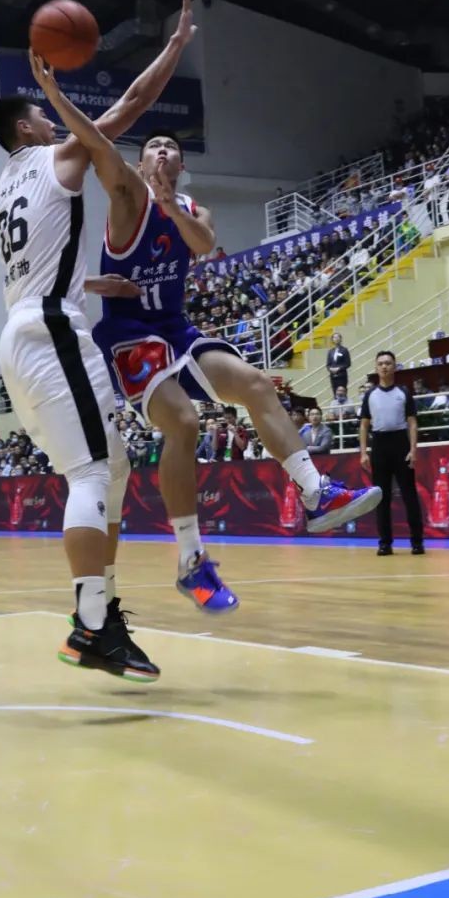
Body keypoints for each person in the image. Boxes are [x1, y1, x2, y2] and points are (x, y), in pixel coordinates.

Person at [0, 0, 200, 682]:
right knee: (91, 474)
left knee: (112, 470)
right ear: (26, 125)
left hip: (26, 331)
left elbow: (54, 261)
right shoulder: (57, 157)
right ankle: (90, 626)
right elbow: (132, 104)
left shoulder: (4, 187)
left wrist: (104, 289)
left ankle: (99, 614)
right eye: (42, 112)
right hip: (51, 333)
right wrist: (174, 47)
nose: (53, 118)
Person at [91, 136, 380, 611]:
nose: (161, 150)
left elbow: (201, 243)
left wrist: (172, 206)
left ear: (182, 164)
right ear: (139, 161)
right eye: (152, 146)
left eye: (170, 147)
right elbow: (95, 141)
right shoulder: (125, 192)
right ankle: (191, 561)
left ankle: (315, 491)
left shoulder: (193, 209)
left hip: (175, 331)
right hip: (129, 334)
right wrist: (58, 98)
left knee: (256, 383)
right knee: (183, 423)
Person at [358, 351, 423, 556]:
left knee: (409, 495)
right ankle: (385, 543)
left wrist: (413, 449)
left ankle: (417, 542)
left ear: (394, 367)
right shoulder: (370, 395)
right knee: (381, 497)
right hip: (379, 446)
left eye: (388, 363)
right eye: (381, 363)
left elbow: (412, 423)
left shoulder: (403, 392)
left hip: (400, 444)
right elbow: (364, 426)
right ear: (376, 368)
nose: (384, 366)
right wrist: (363, 452)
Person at [326, 332, 351, 396]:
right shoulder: (330, 351)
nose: (336, 339)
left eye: (338, 337)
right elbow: (328, 364)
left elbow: (348, 363)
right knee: (335, 393)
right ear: (332, 340)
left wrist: (339, 368)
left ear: (340, 339)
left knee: (342, 392)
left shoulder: (344, 350)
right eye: (334, 337)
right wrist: (330, 369)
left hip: (342, 376)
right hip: (333, 377)